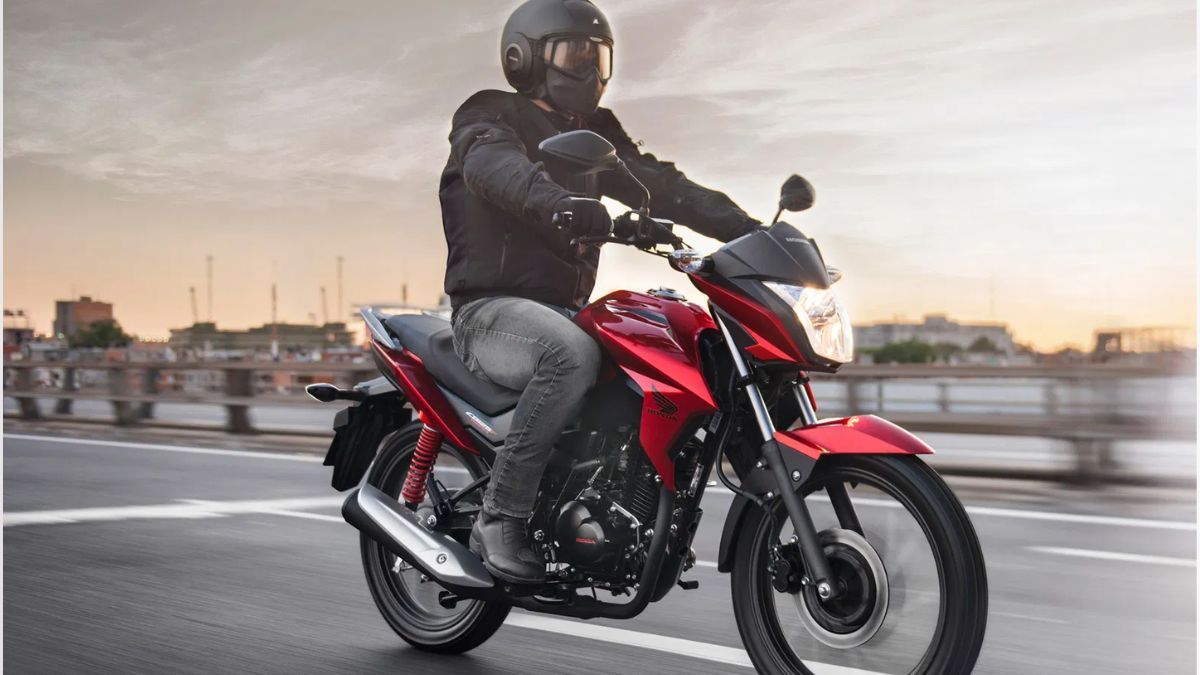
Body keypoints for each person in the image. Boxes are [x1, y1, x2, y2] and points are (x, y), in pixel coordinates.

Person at [441, 0, 760, 584]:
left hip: (565, 310)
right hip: (490, 311)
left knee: (675, 347)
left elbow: (662, 185)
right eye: (573, 53)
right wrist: (561, 204)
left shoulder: (597, 132)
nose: (587, 68)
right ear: (526, 57)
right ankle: (500, 517)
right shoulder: (489, 114)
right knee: (569, 355)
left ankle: (611, 512)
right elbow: (496, 168)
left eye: (597, 55)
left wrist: (754, 232)